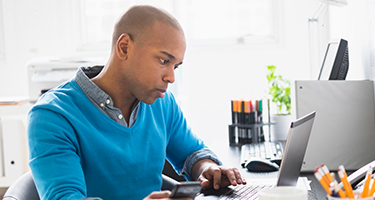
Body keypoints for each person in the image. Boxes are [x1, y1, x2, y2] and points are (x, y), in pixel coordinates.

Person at [27, 5, 246, 200]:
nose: (171, 77)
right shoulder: (52, 116)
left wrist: (208, 169)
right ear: (124, 47)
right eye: (164, 61)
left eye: (176, 66)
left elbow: (191, 153)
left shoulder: (162, 102)